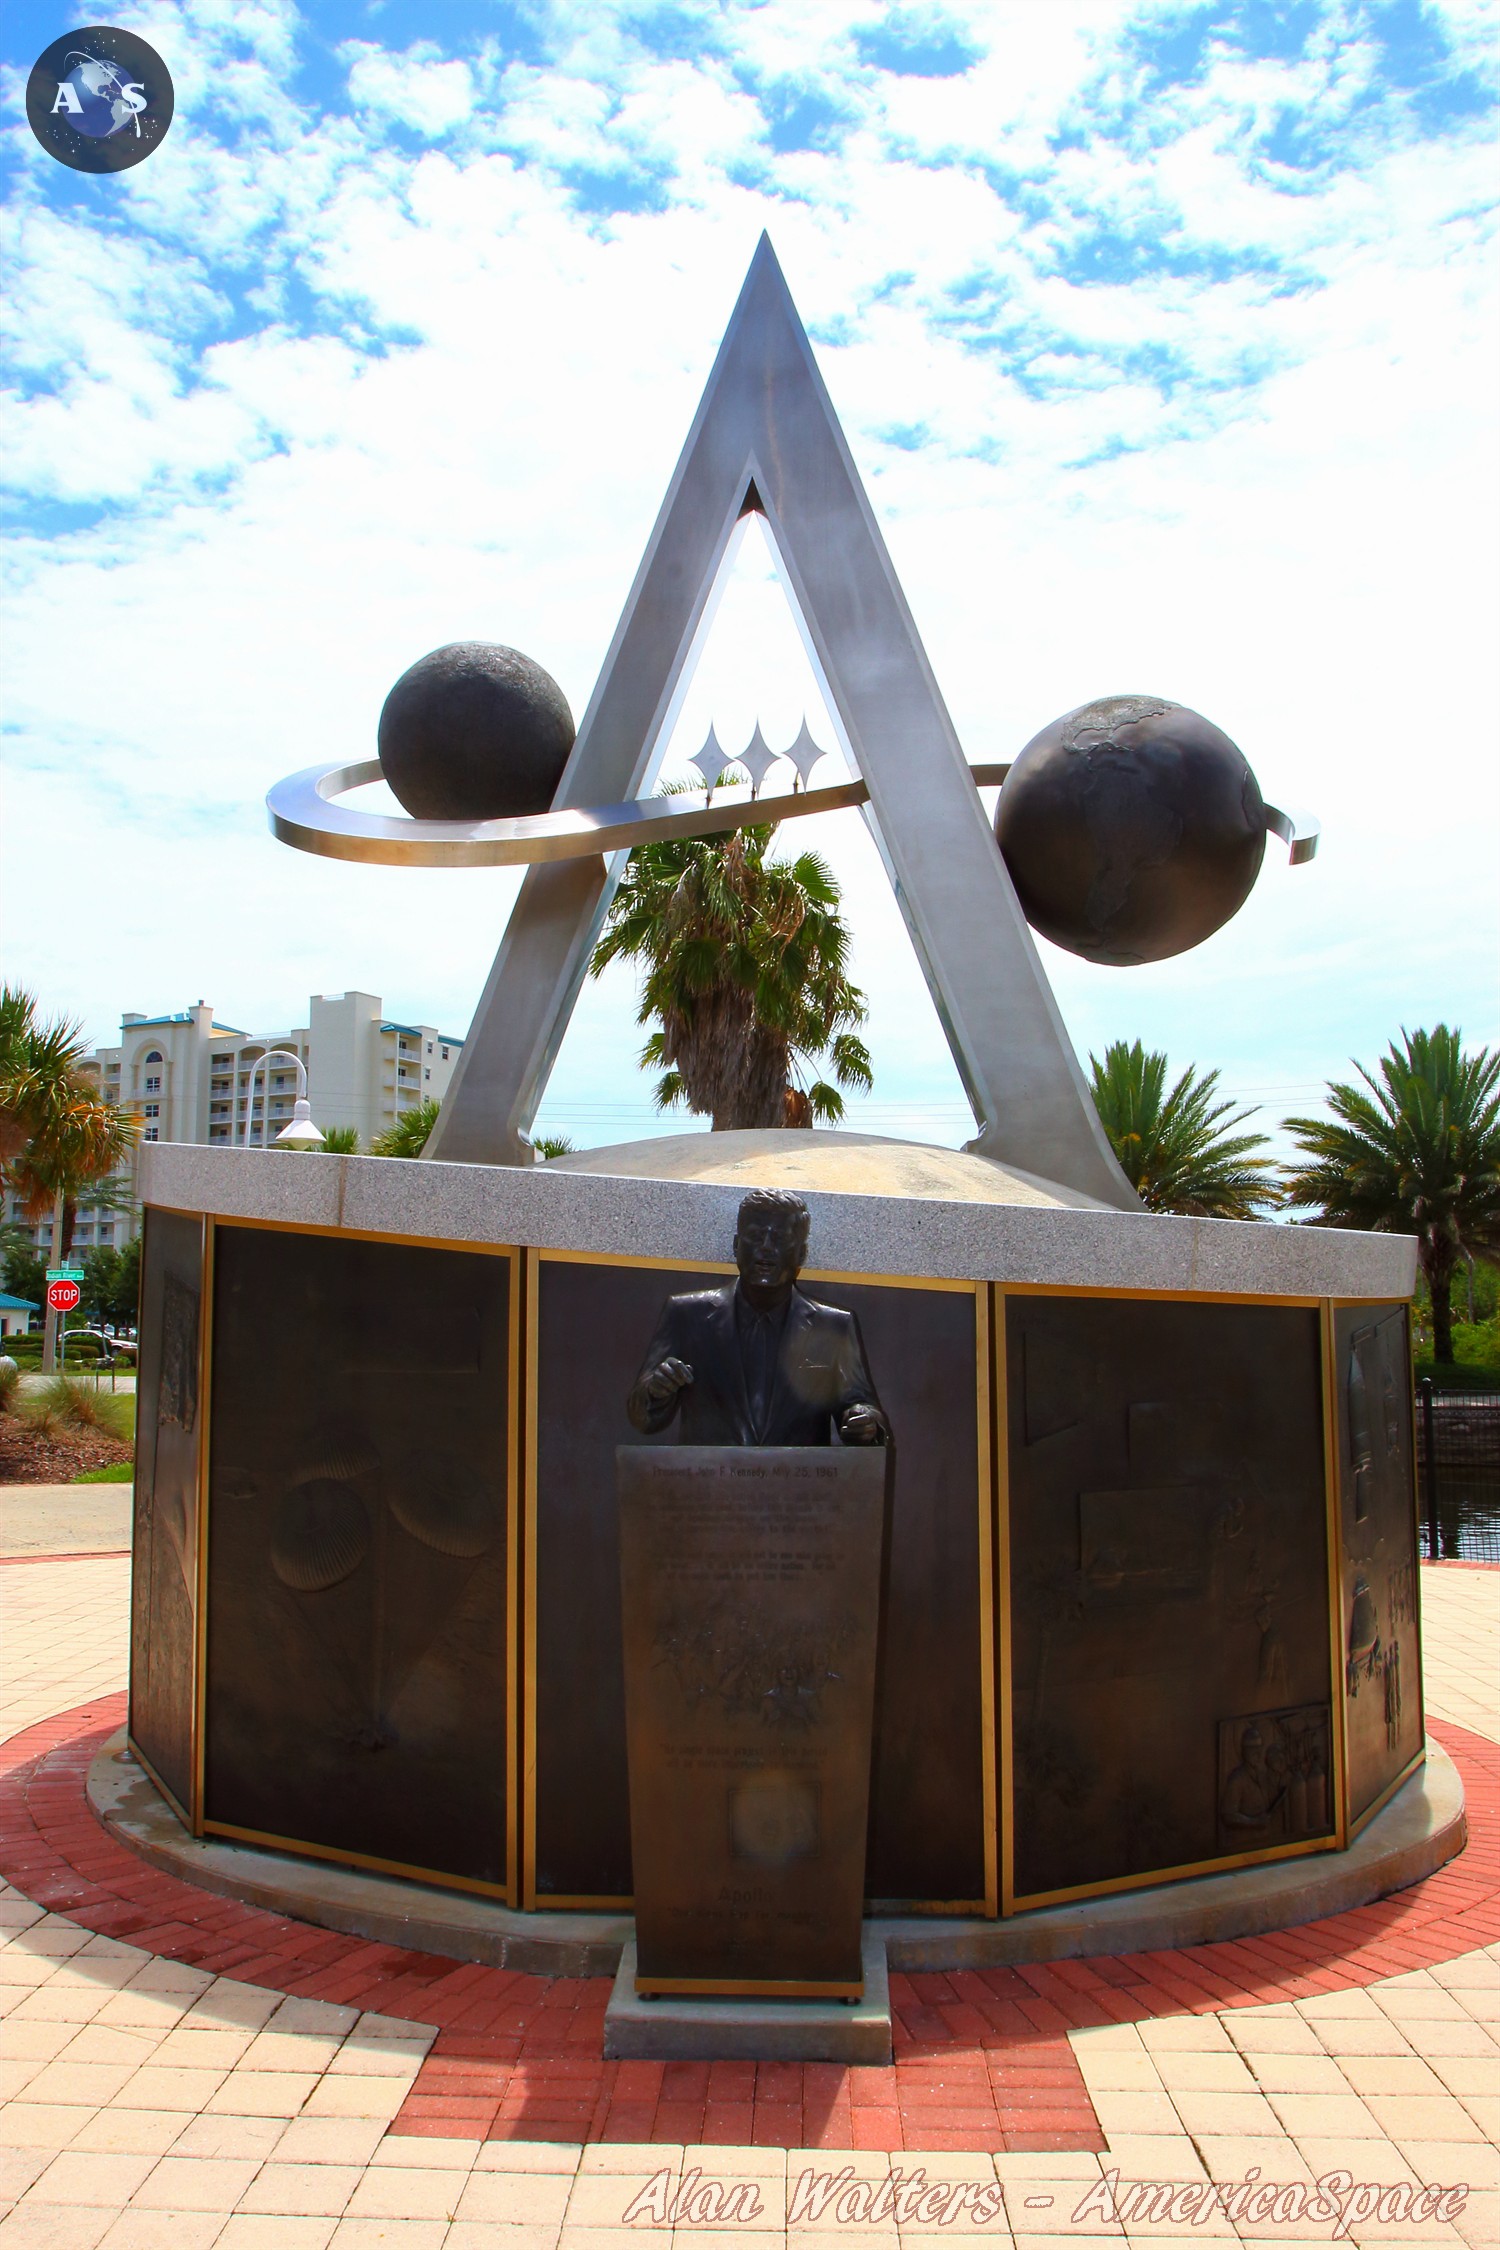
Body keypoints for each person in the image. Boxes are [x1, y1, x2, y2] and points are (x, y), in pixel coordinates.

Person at [626, 1187, 890, 1447]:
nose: (765, 1248)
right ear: (736, 1245)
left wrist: (864, 1423)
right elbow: (642, 1419)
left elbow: (862, 1405)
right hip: (707, 1483)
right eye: (755, 1236)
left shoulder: (834, 1326)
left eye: (780, 1238)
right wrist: (656, 1390)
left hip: (800, 1486)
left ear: (801, 1254)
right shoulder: (686, 1314)